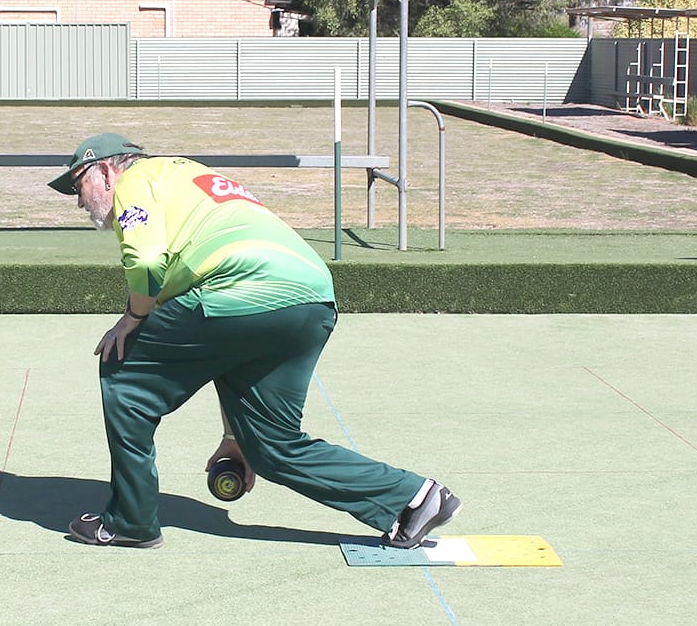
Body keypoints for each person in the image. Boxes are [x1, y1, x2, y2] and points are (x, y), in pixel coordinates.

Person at [48, 132, 460, 550]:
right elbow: (220, 353)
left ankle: (130, 522)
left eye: (78, 186)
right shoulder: (190, 176)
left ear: (104, 171)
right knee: (272, 445)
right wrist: (234, 438)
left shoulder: (137, 180)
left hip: (241, 287)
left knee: (123, 367)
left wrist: (132, 317)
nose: (79, 202)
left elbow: (148, 259)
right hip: (312, 298)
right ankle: (413, 498)